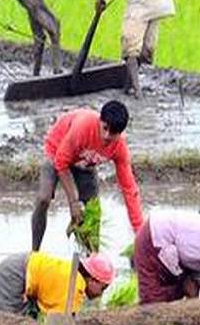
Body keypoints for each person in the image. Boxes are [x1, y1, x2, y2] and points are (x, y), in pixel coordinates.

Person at [31, 100, 144, 251]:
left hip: (84, 162)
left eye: (113, 133)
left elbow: (129, 189)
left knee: (93, 210)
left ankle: (92, 258)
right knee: (43, 198)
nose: (106, 136)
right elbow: (61, 162)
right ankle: (34, 252)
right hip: (57, 150)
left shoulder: (120, 148)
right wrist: (73, 202)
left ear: (120, 133)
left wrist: (140, 233)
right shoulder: (83, 127)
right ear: (100, 121)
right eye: (104, 128)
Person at [0, 251, 115, 317]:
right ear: (92, 279)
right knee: (3, 324)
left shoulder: (73, 276)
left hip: (19, 267)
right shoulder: (75, 286)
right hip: (14, 275)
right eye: (102, 288)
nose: (100, 294)